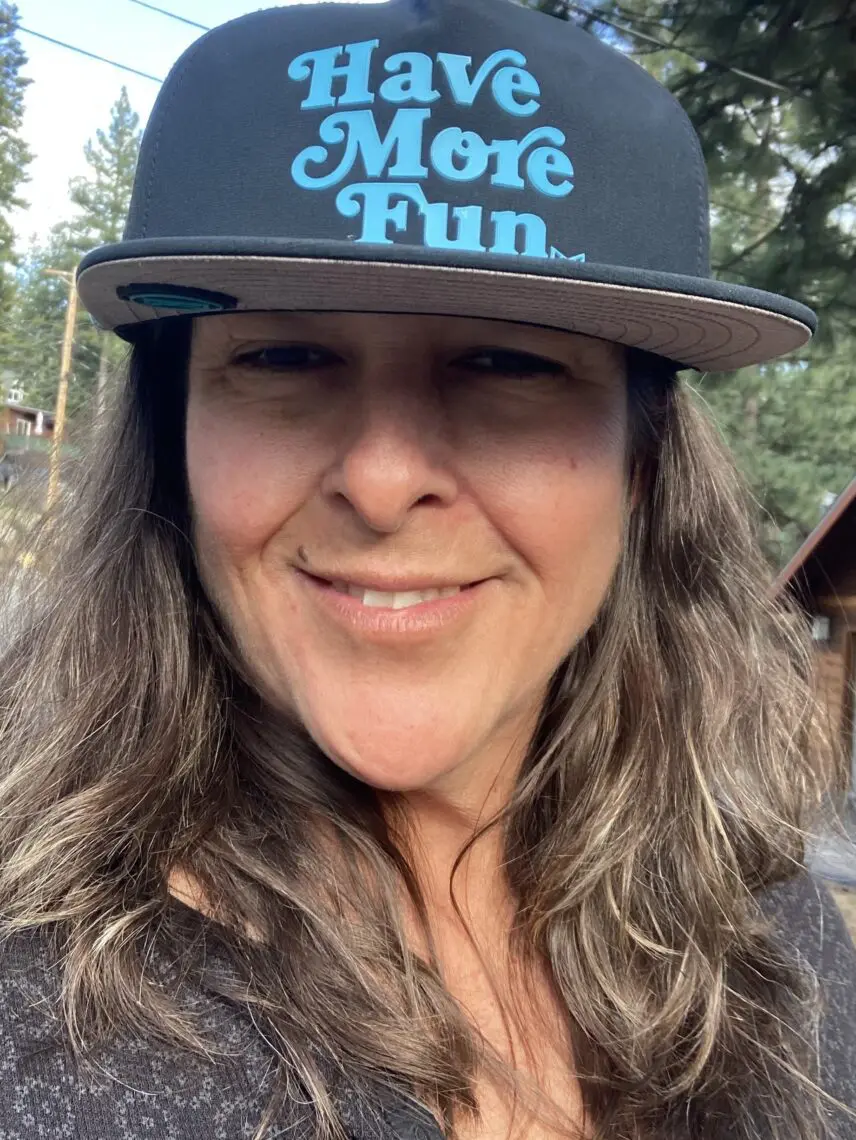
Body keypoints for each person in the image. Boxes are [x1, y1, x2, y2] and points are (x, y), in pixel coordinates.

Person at [0, 1, 854, 1138]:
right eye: (284, 355)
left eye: (507, 362)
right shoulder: (39, 1039)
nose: (383, 478)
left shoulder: (765, 923)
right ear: (176, 441)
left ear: (641, 464)